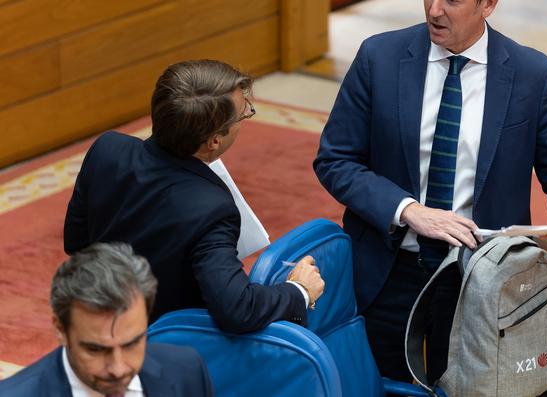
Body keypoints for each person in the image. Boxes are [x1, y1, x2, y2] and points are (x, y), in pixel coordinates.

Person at [314, 0, 547, 382]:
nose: (433, 10)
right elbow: (335, 160)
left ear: (489, 3)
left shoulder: (530, 74)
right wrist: (410, 211)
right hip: (389, 272)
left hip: (481, 279)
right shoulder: (379, 58)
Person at [64, 59, 324, 333]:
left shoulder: (107, 149)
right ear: (214, 141)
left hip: (92, 318)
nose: (246, 115)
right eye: (243, 114)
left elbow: (76, 242)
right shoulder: (212, 210)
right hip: (162, 345)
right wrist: (298, 291)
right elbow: (237, 308)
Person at [0, 242, 214, 396]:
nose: (118, 369)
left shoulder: (186, 371)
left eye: (132, 343)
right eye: (95, 349)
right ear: (60, 329)